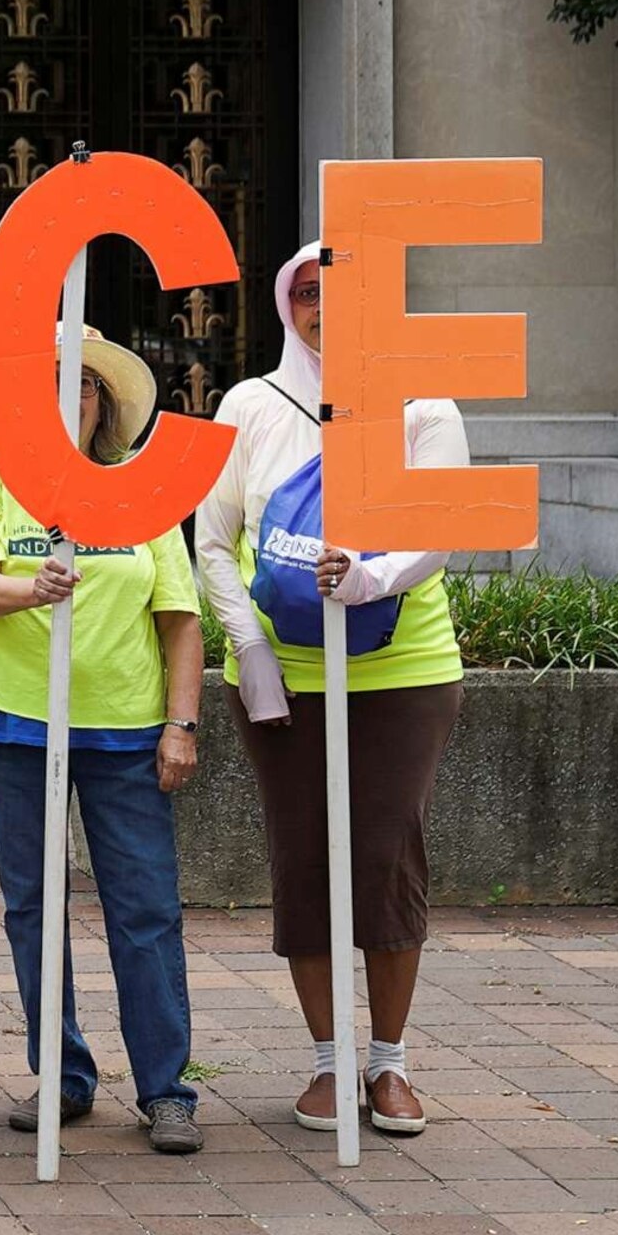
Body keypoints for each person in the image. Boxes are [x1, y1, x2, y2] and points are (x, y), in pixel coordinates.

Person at [194, 240, 470, 1139]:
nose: (324, 308)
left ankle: (388, 1063)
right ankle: (326, 1060)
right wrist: (249, 647)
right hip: (283, 678)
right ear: (287, 306)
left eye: (341, 292)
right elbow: (212, 542)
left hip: (401, 670)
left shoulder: (422, 404)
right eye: (308, 293)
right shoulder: (250, 406)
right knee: (304, 859)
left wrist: (372, 580)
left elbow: (443, 524)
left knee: (386, 856)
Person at [0, 330, 206, 1157]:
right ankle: (61, 1074)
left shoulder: (140, 489)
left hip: (127, 728)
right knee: (34, 906)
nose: (71, 396)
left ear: (107, 403)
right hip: (19, 721)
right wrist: (32, 588)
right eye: (55, 381)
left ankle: (166, 1089)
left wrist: (182, 724)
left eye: (85, 383)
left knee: (145, 910)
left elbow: (181, 620)